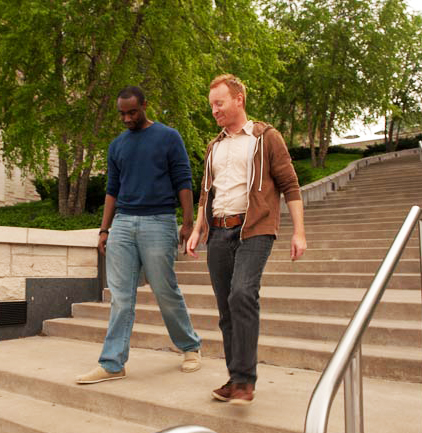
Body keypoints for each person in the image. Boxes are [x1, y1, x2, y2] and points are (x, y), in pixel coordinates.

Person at [186, 74, 306, 405]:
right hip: (218, 231)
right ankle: (236, 379)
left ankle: (246, 380)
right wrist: (198, 229)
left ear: (239, 99)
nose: (214, 110)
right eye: (211, 105)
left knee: (242, 293)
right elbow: (205, 194)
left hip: (254, 228)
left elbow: (290, 185)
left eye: (219, 103)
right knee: (226, 309)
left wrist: (299, 231)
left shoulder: (265, 138)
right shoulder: (215, 146)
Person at [76, 86, 201, 384]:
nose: (127, 118)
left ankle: (190, 347)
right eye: (122, 113)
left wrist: (187, 222)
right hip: (123, 223)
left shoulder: (169, 137)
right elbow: (112, 190)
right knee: (120, 297)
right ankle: (112, 362)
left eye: (132, 112)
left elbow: (183, 180)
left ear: (145, 105)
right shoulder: (117, 145)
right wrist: (104, 230)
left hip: (159, 221)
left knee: (164, 290)